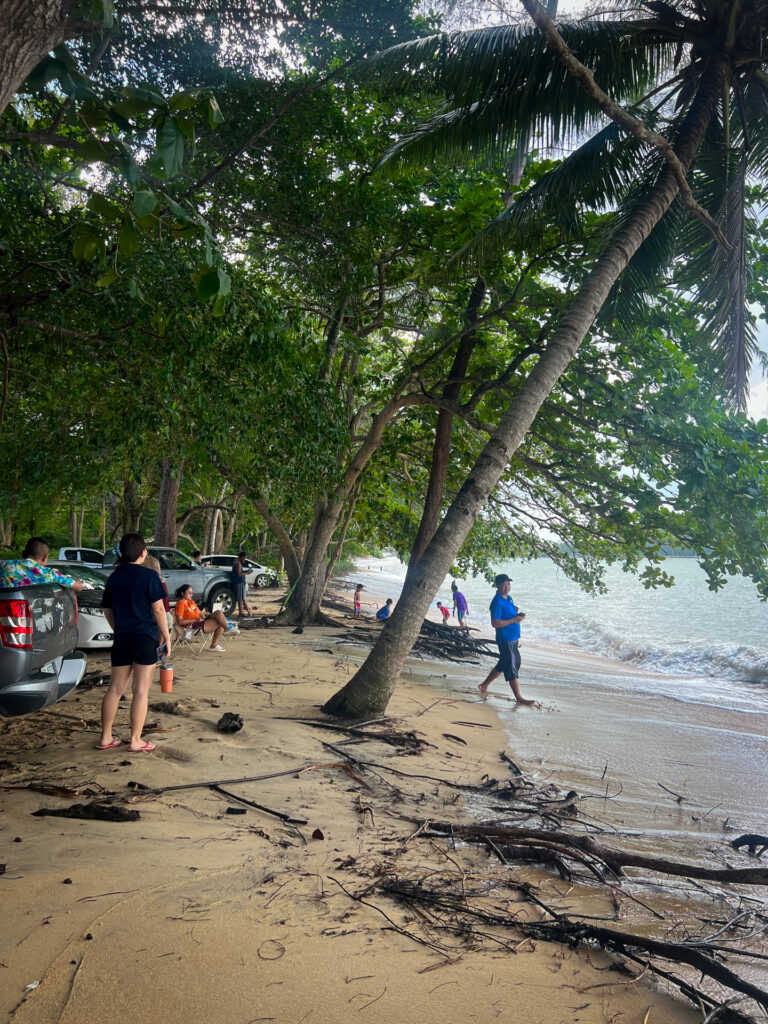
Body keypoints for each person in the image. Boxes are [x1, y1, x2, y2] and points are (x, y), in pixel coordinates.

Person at [97, 533, 171, 754]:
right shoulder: (149, 576)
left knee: (114, 690)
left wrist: (118, 629)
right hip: (144, 638)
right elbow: (158, 609)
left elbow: (107, 611)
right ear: (143, 553)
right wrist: (166, 637)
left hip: (122, 638)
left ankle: (106, 737)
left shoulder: (114, 577)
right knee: (140, 691)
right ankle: (136, 740)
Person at [478, 573, 537, 706]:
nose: (507, 586)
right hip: (505, 638)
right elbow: (495, 623)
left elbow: (509, 615)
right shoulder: (497, 602)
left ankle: (483, 685)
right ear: (497, 585)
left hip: (513, 637)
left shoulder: (508, 598)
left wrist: (517, 615)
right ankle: (519, 698)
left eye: (508, 584)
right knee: (511, 665)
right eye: (504, 584)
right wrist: (514, 620)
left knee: (506, 663)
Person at [0, 537, 84, 592]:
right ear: (44, 557)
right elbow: (79, 587)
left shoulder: (4, 566)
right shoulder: (49, 574)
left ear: (22, 554)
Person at [174, 584, 231, 652]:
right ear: (182, 593)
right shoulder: (180, 603)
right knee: (220, 622)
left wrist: (205, 615)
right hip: (191, 624)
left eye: (192, 593)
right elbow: (179, 622)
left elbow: (199, 612)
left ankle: (226, 629)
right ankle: (223, 634)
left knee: (218, 612)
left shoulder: (190, 601)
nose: (191, 594)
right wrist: (195, 620)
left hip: (199, 620)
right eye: (189, 593)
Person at [232, 552, 252, 616]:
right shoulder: (238, 563)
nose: (245, 560)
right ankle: (240, 613)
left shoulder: (235, 561)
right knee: (240, 598)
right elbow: (239, 574)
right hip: (239, 582)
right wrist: (247, 573)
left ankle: (248, 612)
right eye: (245, 558)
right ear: (241, 557)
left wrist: (245, 571)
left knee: (242, 598)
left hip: (239, 581)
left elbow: (240, 572)